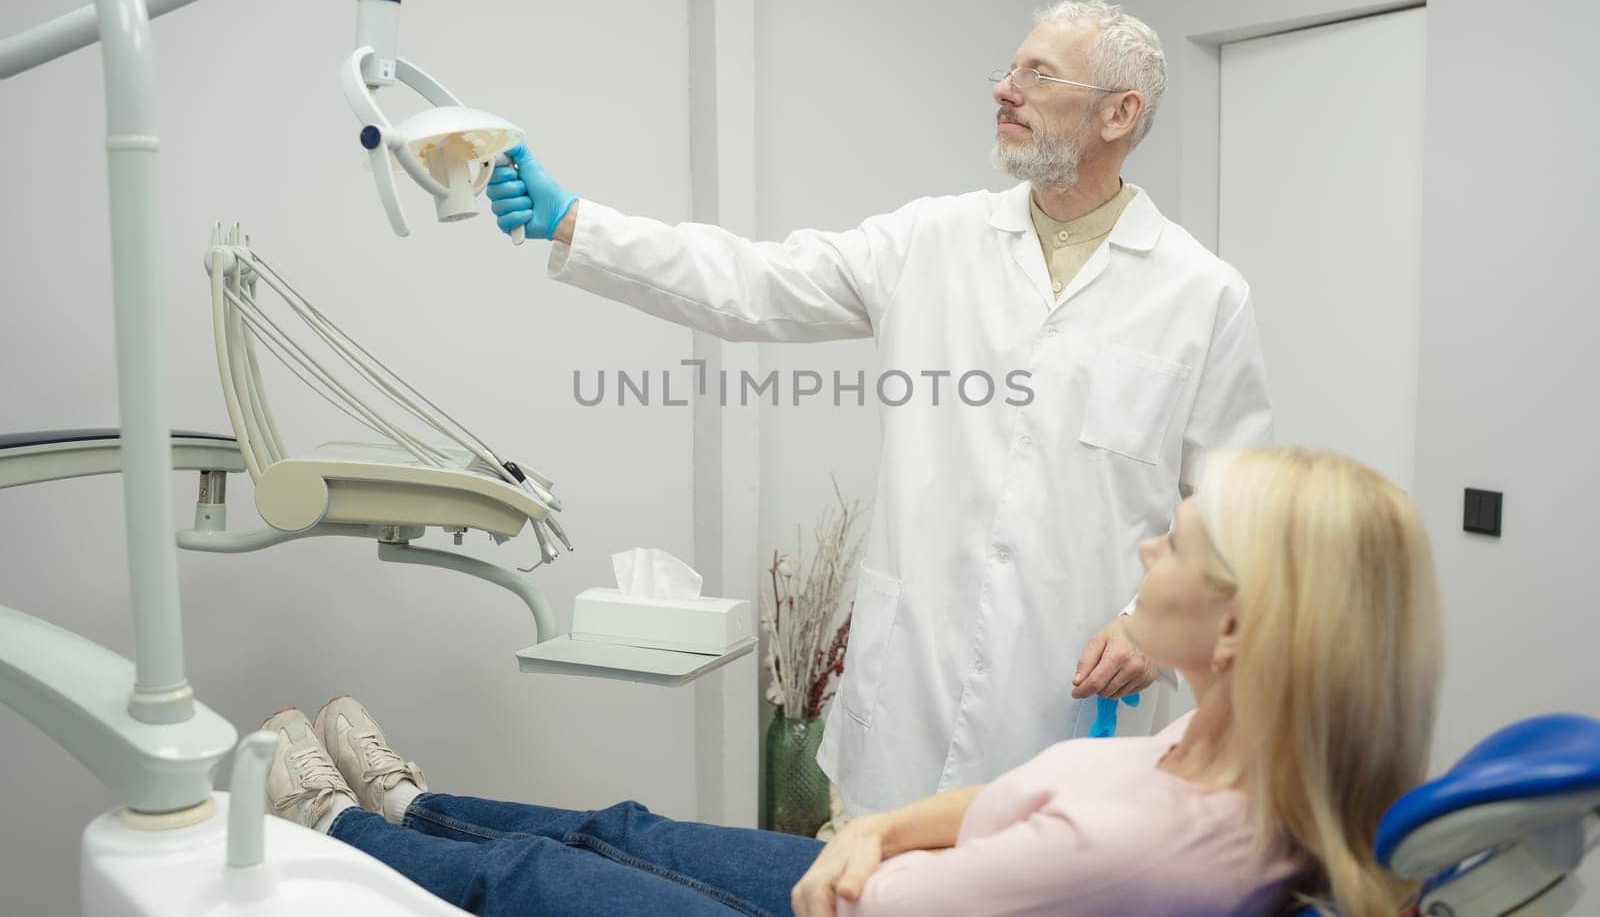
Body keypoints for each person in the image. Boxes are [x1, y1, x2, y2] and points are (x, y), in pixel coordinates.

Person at [484, 0, 1274, 815]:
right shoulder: (931, 241)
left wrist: (1148, 620)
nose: (1005, 90)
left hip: (1072, 701)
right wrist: (578, 224)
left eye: (1038, 75)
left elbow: (1239, 507)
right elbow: (754, 282)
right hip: (910, 702)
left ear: (1120, 112)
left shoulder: (1201, 293)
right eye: (1008, 69)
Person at [264, 447, 1440, 916]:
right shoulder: (1217, 753)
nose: (1144, 551)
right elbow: (987, 811)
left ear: (1233, 628)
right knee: (624, 825)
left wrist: (862, 856)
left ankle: (325, 818)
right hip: (902, 875)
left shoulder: (1146, 840)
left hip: (871, 911)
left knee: (542, 875)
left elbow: (864, 908)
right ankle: (410, 804)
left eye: (1174, 544)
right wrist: (878, 826)